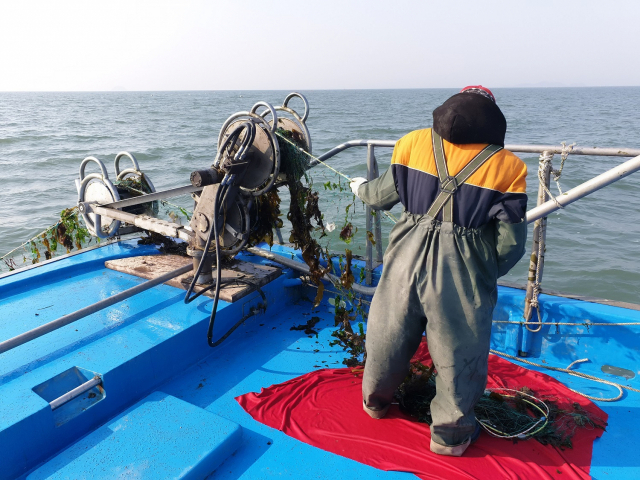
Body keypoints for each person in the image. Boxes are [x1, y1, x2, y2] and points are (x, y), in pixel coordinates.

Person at [350, 86, 528, 457]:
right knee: (459, 346)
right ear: (492, 118)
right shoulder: (509, 166)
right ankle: (450, 437)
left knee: (389, 328)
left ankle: (375, 403)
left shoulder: (411, 143)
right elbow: (511, 244)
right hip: (462, 264)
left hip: (404, 252)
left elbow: (381, 197)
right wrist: (481, 272)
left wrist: (360, 188)